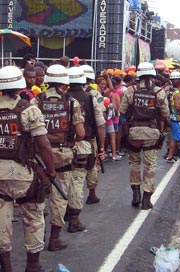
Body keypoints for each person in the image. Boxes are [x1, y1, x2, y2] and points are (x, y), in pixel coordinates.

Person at [0, 65, 56, 272]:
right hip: (24, 174)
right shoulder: (29, 110)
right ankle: (33, 266)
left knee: (1, 220)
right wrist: (51, 170)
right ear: (20, 86)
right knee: (34, 218)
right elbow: (44, 144)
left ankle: (6, 268)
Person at [37, 64, 85, 247]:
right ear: (64, 84)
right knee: (60, 195)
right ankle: (54, 238)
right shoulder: (71, 102)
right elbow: (80, 133)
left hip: (41, 155)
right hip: (63, 154)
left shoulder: (37, 101)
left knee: (40, 195)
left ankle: (39, 235)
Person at [119, 62, 170, 210]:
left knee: (134, 163)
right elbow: (165, 113)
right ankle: (146, 199)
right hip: (151, 133)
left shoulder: (130, 90)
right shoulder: (158, 92)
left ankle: (136, 195)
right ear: (153, 75)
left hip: (133, 133)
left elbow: (122, 111)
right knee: (150, 165)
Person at [66, 67, 106, 232]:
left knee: (63, 179)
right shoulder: (91, 98)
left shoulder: (61, 98)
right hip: (83, 143)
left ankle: (65, 211)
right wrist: (102, 147)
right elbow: (100, 125)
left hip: (60, 145)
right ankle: (74, 218)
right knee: (77, 180)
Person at [81, 64, 106, 203]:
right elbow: (101, 118)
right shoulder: (94, 94)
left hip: (72, 138)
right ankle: (91, 193)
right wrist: (102, 146)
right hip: (90, 136)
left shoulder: (67, 94)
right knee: (91, 165)